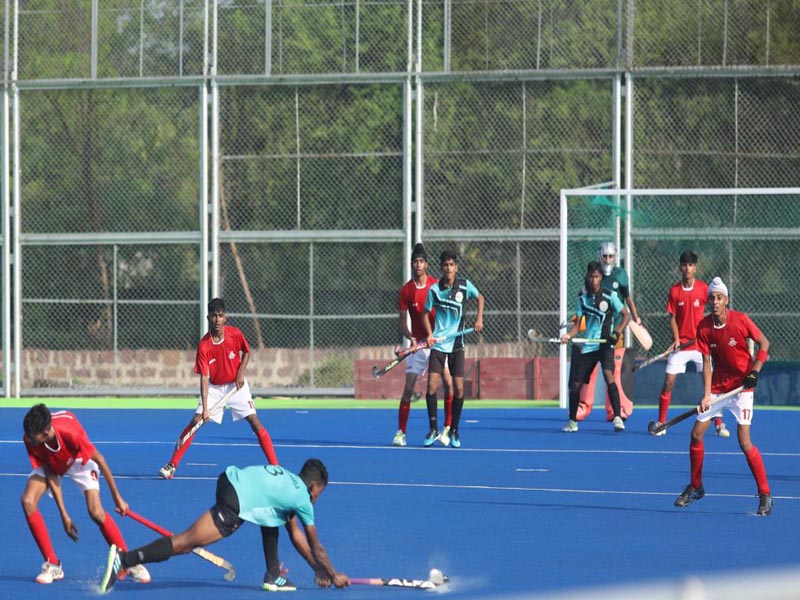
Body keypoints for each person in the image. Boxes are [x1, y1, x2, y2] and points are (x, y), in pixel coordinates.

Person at [101, 459, 349, 592]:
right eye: (319, 494)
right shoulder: (302, 498)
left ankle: (273, 575)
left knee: (273, 518)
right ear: (314, 487)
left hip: (228, 480)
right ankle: (126, 560)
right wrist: (332, 573)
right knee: (185, 543)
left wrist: (317, 570)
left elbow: (294, 535)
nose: (316, 499)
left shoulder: (287, 480)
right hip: (235, 500)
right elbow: (316, 547)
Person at [21, 403, 151, 585]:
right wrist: (64, 515)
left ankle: (128, 561)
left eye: (31, 436)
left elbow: (101, 460)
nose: (27, 438)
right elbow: (51, 472)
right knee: (27, 501)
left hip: (79, 459)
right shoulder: (31, 439)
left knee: (96, 513)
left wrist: (117, 498)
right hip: (55, 463)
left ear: (44, 433)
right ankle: (53, 564)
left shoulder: (70, 433)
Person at [674, 277, 772, 516]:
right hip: (719, 388)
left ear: (726, 300)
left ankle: (765, 494)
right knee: (696, 434)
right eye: (712, 298)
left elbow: (764, 343)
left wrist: (755, 372)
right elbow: (706, 363)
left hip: (742, 388)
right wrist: (706, 394)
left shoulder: (740, 320)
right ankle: (696, 486)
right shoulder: (705, 327)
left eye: (719, 298)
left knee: (744, 441)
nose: (715, 302)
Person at [159, 297, 279, 479]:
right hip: (215, 388)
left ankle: (275, 467)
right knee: (196, 421)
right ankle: (172, 465)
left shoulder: (235, 334)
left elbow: (247, 352)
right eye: (214, 316)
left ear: (225, 318)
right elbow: (204, 378)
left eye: (220, 316)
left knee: (254, 421)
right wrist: (206, 408)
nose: (217, 320)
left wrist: (240, 373)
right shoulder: (204, 346)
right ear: (208, 318)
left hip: (236, 386)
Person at [653, 251, 728, 437]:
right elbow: (672, 318)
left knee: (709, 384)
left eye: (691, 265)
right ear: (680, 267)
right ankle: (661, 422)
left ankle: (718, 423)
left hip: (701, 345)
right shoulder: (675, 291)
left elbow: (713, 310)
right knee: (668, 382)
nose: (687, 268)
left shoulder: (703, 289)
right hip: (681, 346)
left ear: (695, 268)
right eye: (684, 264)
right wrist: (677, 339)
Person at [421, 249, 484, 448]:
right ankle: (433, 429)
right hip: (439, 344)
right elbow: (424, 314)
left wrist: (479, 319)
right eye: (445, 265)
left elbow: (480, 297)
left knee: (458, 389)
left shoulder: (465, 286)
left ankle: (455, 430)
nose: (448, 268)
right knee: (431, 387)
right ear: (441, 268)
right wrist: (430, 335)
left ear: (456, 267)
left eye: (451, 265)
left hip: (457, 344)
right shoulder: (434, 290)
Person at [393, 243, 454, 447]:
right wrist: (410, 337)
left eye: (421, 261)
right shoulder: (406, 291)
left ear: (426, 265)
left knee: (448, 383)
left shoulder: (436, 286)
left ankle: (447, 429)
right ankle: (401, 433)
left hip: (437, 343)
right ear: (411, 264)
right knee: (408, 388)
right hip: (418, 345)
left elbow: (447, 314)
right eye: (415, 262)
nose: (418, 265)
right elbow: (403, 321)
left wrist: (439, 335)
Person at [561, 261, 630, 433]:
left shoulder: (610, 296)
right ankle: (572, 422)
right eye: (591, 276)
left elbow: (626, 316)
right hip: (589, 346)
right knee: (576, 384)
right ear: (588, 277)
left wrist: (617, 332)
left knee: (609, 376)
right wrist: (569, 335)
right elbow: (578, 326)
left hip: (606, 345)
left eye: (597, 276)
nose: (594, 280)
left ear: (601, 278)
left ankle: (617, 418)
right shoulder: (582, 299)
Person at [598, 241, 641, 326]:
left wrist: (636, 318)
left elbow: (628, 298)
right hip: (597, 322)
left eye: (610, 256)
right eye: (605, 256)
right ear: (599, 255)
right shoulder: (595, 274)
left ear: (615, 257)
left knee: (616, 338)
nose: (607, 260)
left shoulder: (620, 274)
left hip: (616, 322)